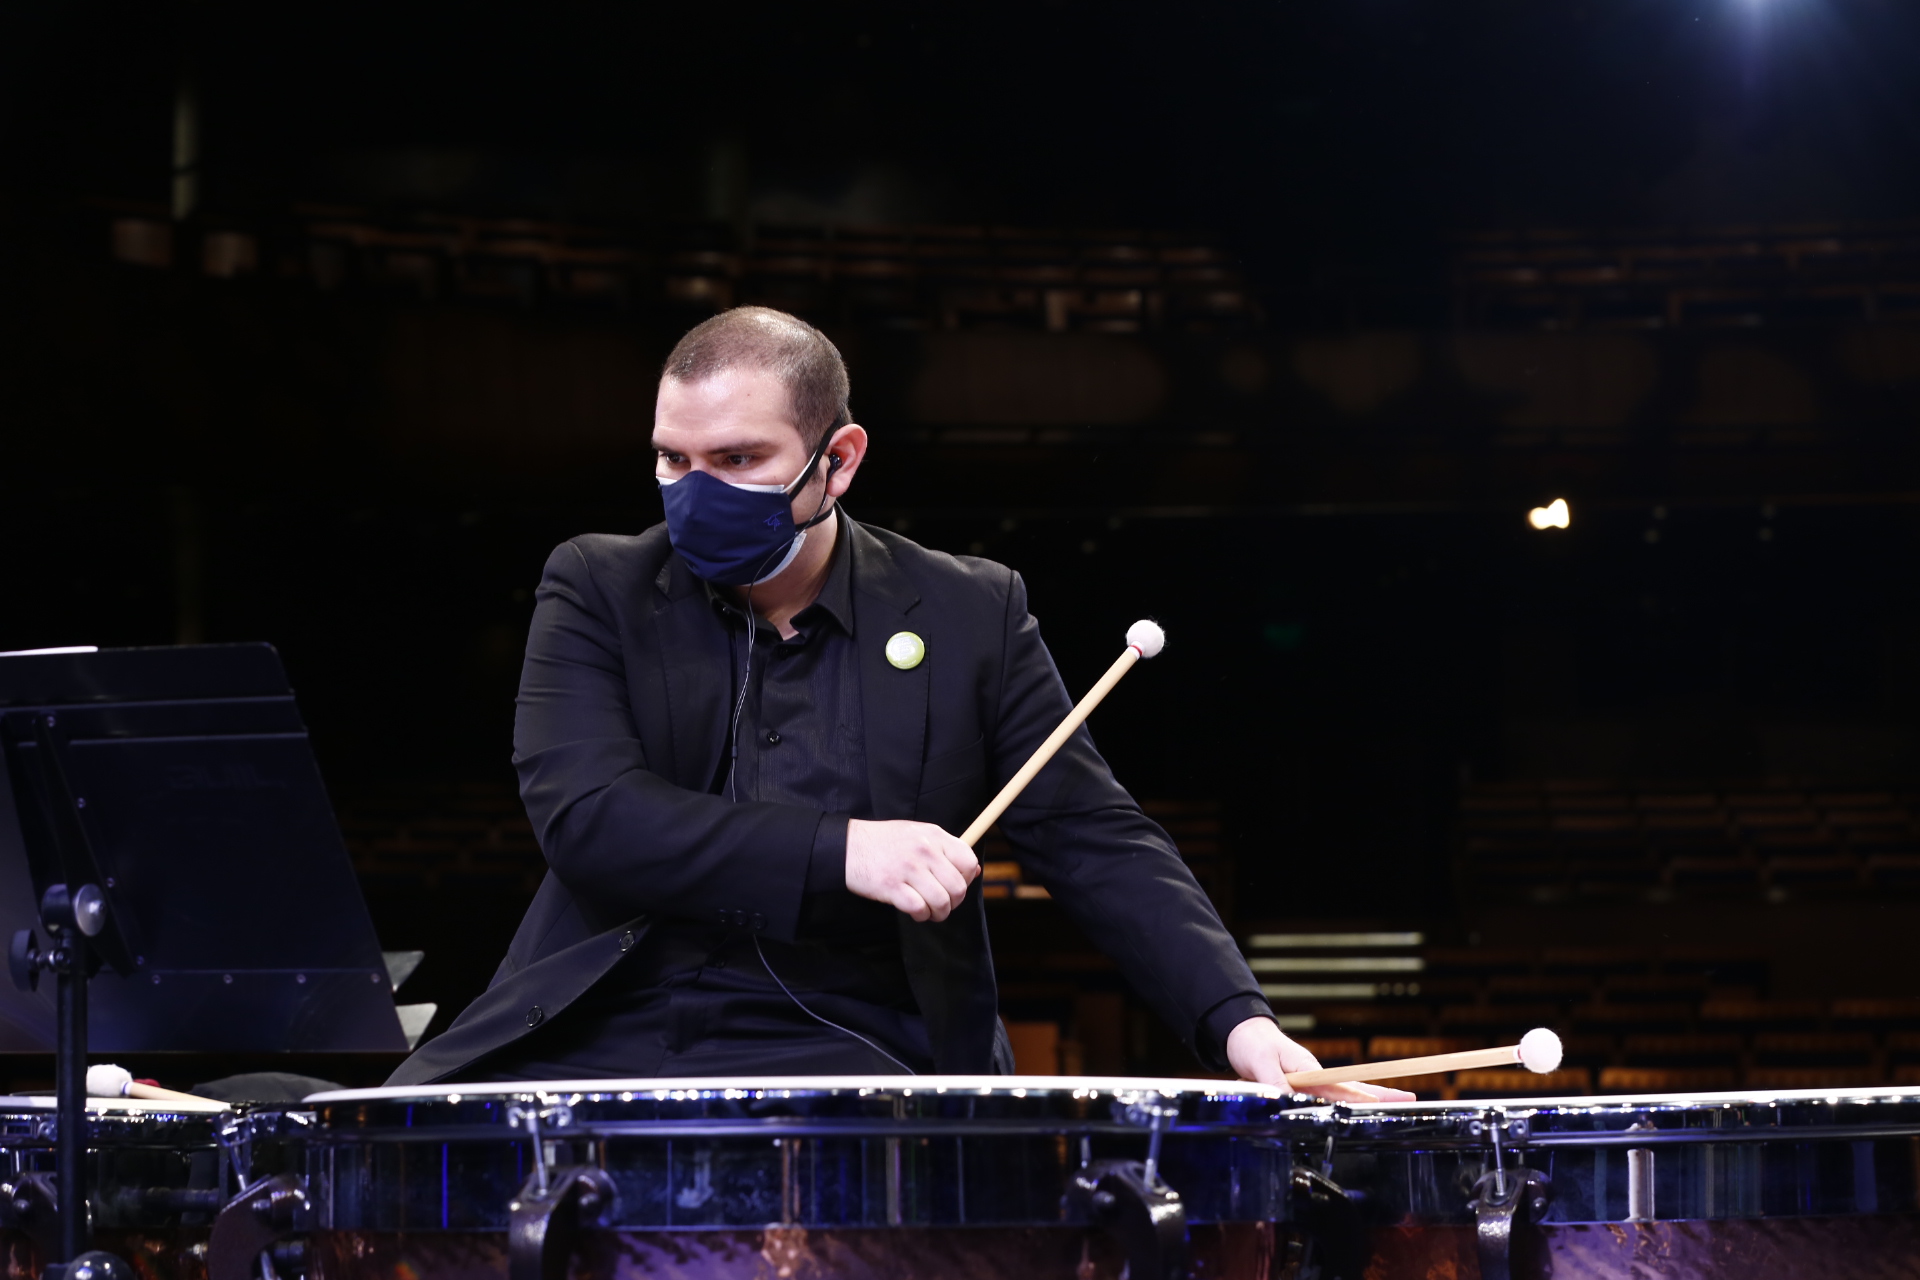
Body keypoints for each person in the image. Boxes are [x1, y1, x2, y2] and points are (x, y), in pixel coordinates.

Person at [387, 306, 1406, 1102]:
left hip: (873, 1049)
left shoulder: (971, 609)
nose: (695, 490)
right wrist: (844, 850)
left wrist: (1239, 1020)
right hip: (599, 1036)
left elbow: (1095, 837)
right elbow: (590, 819)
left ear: (840, 458)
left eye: (738, 460)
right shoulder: (598, 584)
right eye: (671, 460)